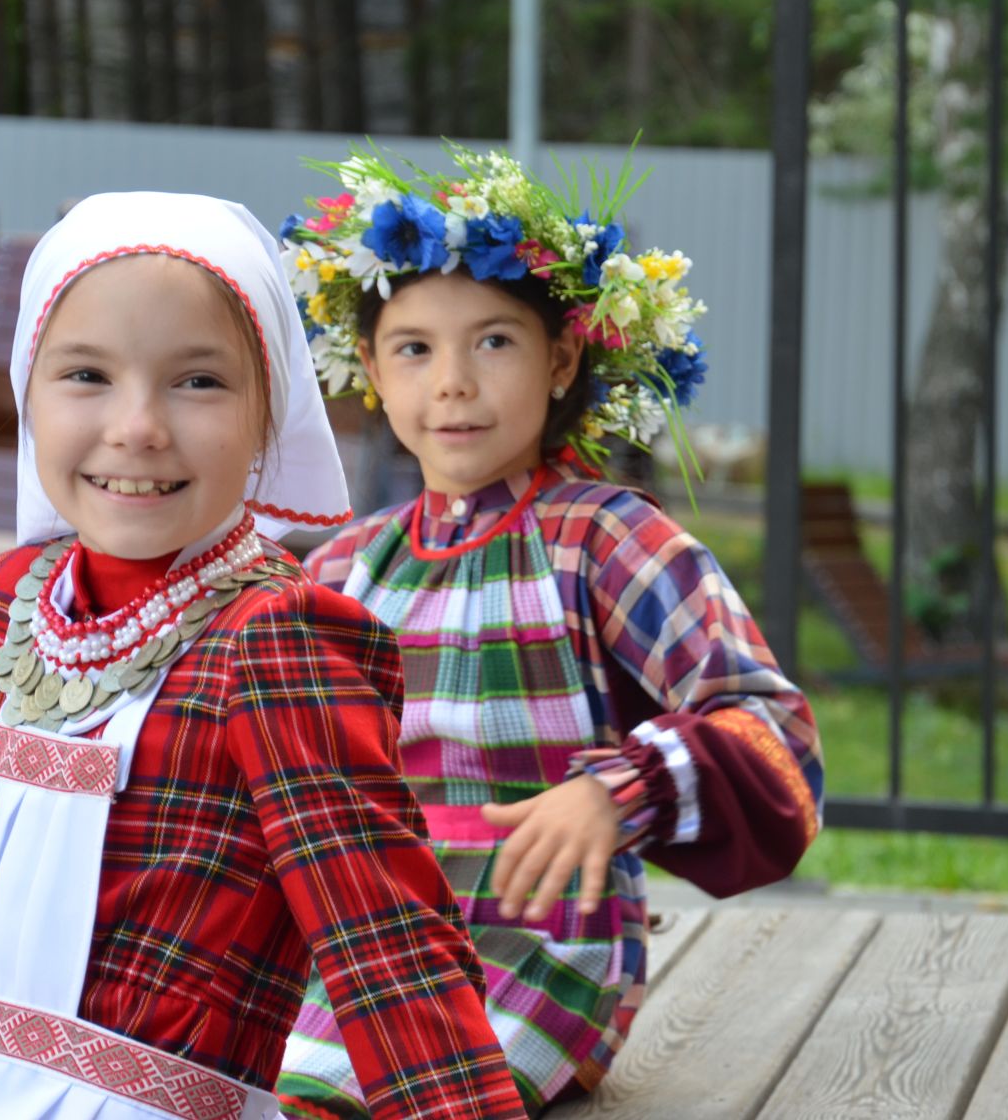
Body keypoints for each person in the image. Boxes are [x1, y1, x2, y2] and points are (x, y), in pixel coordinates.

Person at [0, 192, 524, 1120]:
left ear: (269, 415)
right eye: (85, 375)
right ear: (27, 394)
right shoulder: (6, 604)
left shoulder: (279, 638)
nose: (138, 427)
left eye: (198, 382)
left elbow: (385, 942)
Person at [275, 149, 824, 1116]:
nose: (452, 383)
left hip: (541, 940)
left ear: (561, 358)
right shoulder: (338, 570)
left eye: (493, 342)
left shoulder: (606, 539)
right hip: (361, 935)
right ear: (368, 371)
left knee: (412, 1095)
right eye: (413, 349)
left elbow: (772, 729)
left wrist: (619, 795)